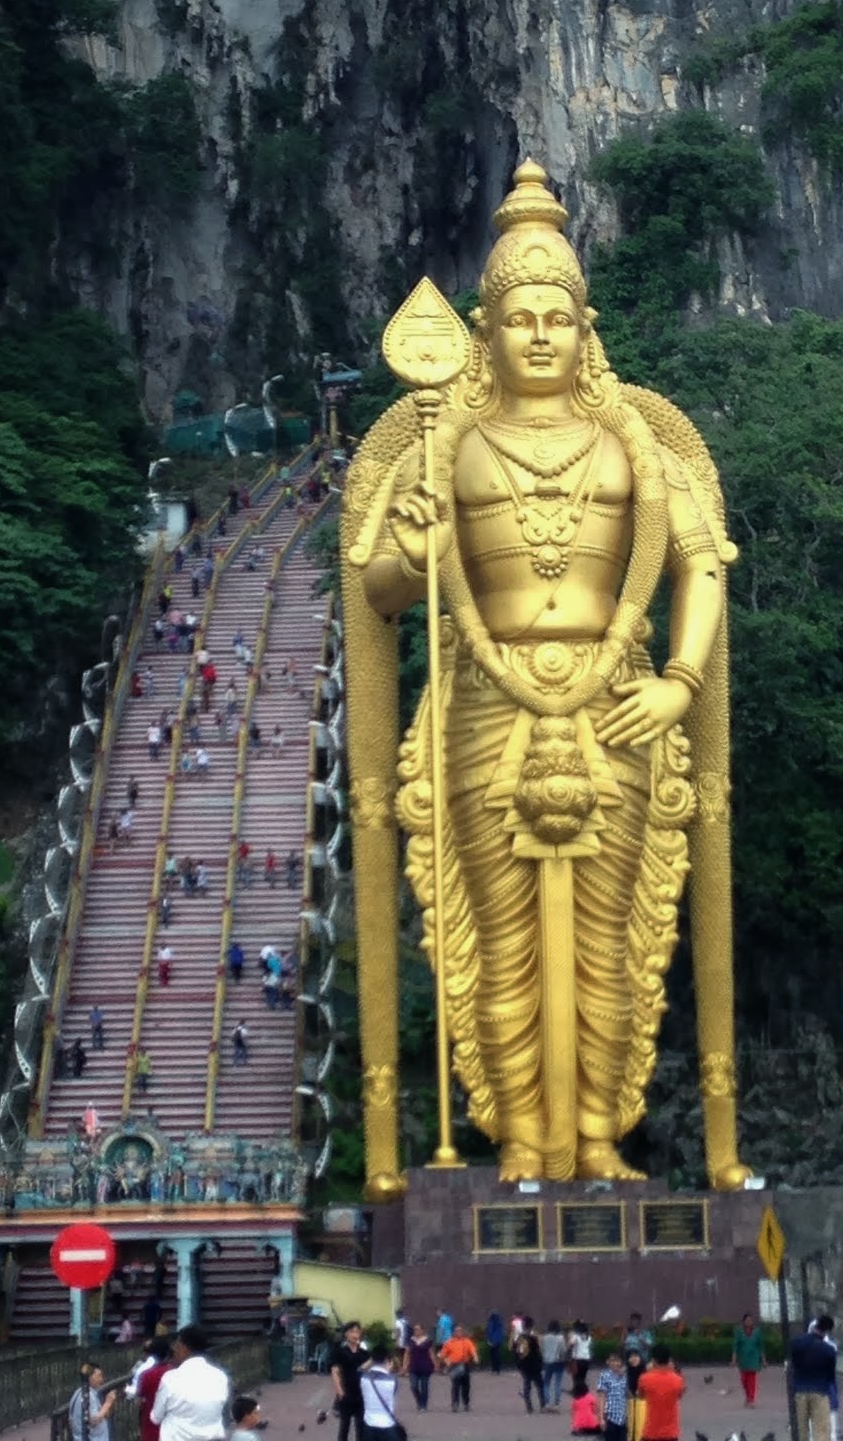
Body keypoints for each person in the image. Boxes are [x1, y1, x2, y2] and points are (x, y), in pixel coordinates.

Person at [345, 161, 749, 1189]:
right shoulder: (446, 442)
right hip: (485, 703)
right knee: (500, 934)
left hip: (620, 706)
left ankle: (602, 1136)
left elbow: (699, 563)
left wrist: (681, 682)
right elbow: (381, 590)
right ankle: (521, 1138)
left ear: (586, 324)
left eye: (555, 317)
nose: (537, 334)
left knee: (614, 940)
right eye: (516, 316)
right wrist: (413, 540)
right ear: (484, 330)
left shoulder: (636, 444)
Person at [151, 1323, 231, 1441]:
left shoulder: (171, 1378)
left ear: (184, 1348)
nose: (174, 1350)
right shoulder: (220, 1376)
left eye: (176, 1345)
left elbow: (155, 1418)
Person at [790, 1316, 836, 1441]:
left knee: (802, 1430)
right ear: (827, 1330)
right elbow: (831, 1376)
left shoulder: (797, 1343)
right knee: (821, 1431)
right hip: (820, 1391)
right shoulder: (829, 1350)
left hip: (800, 1390)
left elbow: (794, 1364)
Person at [331, 1320, 371, 1441]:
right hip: (346, 1393)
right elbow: (335, 1372)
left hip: (361, 1394)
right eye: (352, 1331)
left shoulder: (364, 1353)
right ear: (346, 1334)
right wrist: (340, 1392)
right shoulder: (340, 1352)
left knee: (361, 1427)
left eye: (357, 1332)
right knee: (345, 1426)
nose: (355, 1334)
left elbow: (370, 1370)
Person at [637, 1344, 684, 1441]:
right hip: (671, 1433)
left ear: (653, 1360)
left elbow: (640, 1396)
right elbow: (679, 1396)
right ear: (669, 1359)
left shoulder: (645, 1378)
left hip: (651, 1432)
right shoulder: (678, 1380)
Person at [360, 1343, 401, 1439]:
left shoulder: (364, 1378)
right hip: (387, 1425)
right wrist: (388, 1369)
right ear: (387, 1360)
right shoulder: (393, 1380)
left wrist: (371, 1360)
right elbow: (393, 1392)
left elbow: (359, 1370)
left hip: (369, 1425)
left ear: (372, 1359)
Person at [68, 1364, 116, 1441]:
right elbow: (94, 1420)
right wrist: (108, 1403)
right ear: (90, 1377)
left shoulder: (77, 1393)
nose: (102, 1379)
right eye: (99, 1376)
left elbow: (70, 1422)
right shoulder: (88, 1396)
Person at [437, 1322, 478, 1413]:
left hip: (465, 1365)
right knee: (455, 1385)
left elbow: (472, 1350)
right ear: (454, 1332)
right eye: (457, 1331)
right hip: (454, 1366)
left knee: (466, 1386)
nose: (459, 1333)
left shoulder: (467, 1341)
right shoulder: (449, 1343)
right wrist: (443, 1363)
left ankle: (466, 1403)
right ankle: (455, 1404)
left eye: (460, 1331)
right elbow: (442, 1355)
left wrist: (475, 1357)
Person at [595, 1352, 630, 1441]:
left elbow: (627, 1396)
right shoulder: (605, 1375)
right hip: (609, 1416)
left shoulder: (624, 1376)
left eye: (618, 1361)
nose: (615, 1363)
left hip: (622, 1417)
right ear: (608, 1362)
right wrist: (601, 1418)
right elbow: (601, 1397)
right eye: (613, 1361)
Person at [732, 1311, 765, 1407]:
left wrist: (763, 1360)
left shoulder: (757, 1331)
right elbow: (735, 1346)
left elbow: (761, 1346)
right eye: (747, 1320)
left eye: (751, 1320)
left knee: (752, 1380)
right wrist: (734, 1359)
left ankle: (751, 1399)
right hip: (743, 1360)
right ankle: (747, 1397)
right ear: (743, 1322)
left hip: (754, 1359)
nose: (749, 1322)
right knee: (744, 1380)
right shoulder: (739, 1331)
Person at [514, 1317, 544, 1415]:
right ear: (531, 1326)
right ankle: (543, 1405)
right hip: (535, 1365)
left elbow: (517, 1351)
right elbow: (539, 1350)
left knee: (527, 1387)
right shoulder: (535, 1337)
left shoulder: (520, 1338)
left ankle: (529, 1407)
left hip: (525, 1366)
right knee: (540, 1386)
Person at [406, 1323, 435, 1411]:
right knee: (413, 1386)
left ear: (422, 1330)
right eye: (415, 1329)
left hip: (425, 1366)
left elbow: (431, 1353)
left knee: (424, 1387)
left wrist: (435, 1364)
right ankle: (419, 1401)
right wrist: (404, 1365)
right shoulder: (411, 1341)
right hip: (413, 1366)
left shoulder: (427, 1341)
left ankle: (423, 1405)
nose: (416, 1331)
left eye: (418, 1329)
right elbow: (407, 1353)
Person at [542, 1319, 567, 1411]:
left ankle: (547, 1403)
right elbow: (564, 1350)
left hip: (547, 1361)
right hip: (558, 1362)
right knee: (558, 1383)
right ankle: (556, 1404)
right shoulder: (560, 1338)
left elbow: (542, 1350)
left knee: (546, 1383)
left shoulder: (545, 1337)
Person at [568, 1320, 593, 1388]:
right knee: (583, 1377)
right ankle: (582, 1391)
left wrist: (571, 1337)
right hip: (586, 1359)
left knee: (576, 1377)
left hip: (577, 1360)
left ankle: (577, 1391)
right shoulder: (589, 1337)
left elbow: (570, 1344)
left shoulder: (576, 1336)